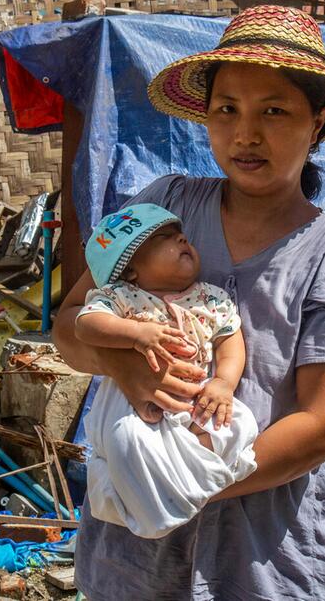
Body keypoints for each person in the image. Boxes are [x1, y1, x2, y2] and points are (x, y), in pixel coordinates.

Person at [53, 4, 325, 599]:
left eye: (274, 111)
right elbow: (68, 325)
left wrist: (182, 483)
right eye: (227, 110)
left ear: (318, 122)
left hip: (260, 555)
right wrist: (122, 364)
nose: (246, 134)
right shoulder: (164, 209)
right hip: (132, 553)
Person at [76, 203, 259, 539]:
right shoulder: (122, 297)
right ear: (131, 270)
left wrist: (223, 382)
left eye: (181, 235)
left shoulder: (210, 298)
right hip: (133, 402)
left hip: (195, 397)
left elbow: (229, 340)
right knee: (127, 439)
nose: (182, 239)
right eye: (164, 238)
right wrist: (135, 333)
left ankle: (190, 471)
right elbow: (85, 324)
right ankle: (153, 503)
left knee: (242, 423)